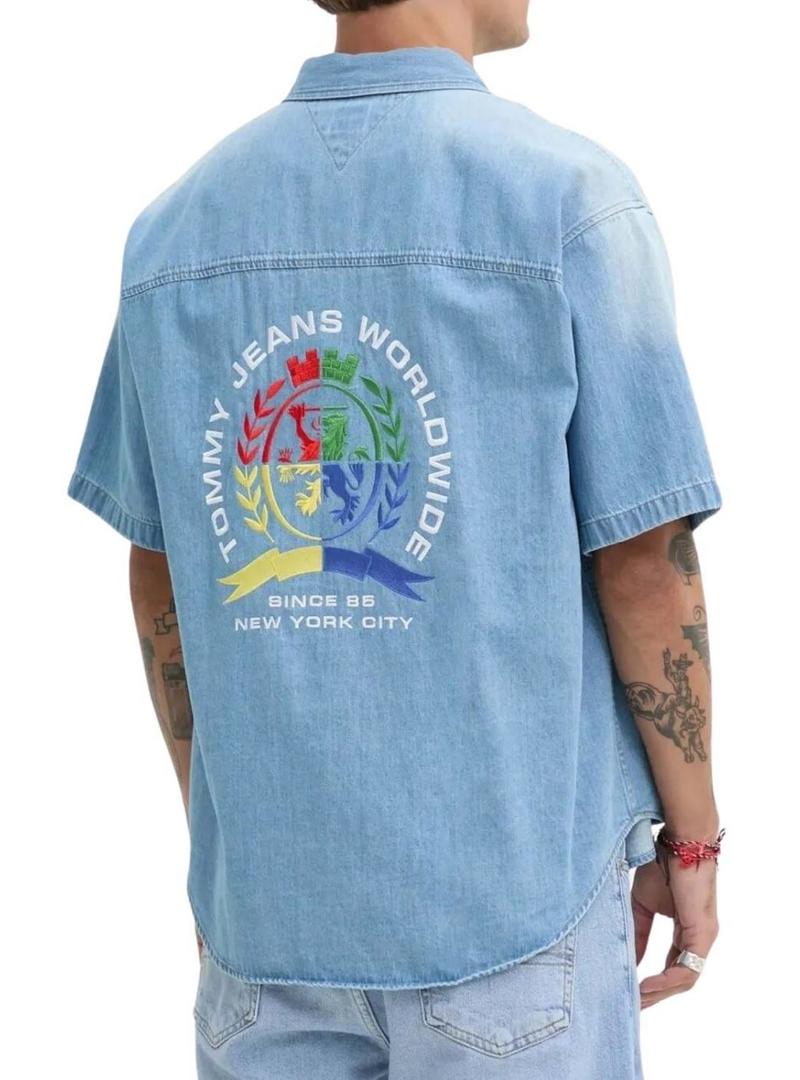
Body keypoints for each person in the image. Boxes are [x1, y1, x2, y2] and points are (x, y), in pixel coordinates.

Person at [67, 1, 724, 1076]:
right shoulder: (569, 206)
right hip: (509, 928)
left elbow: (163, 578)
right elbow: (643, 563)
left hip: (265, 932)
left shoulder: (173, 233)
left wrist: (232, 861)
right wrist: (690, 841)